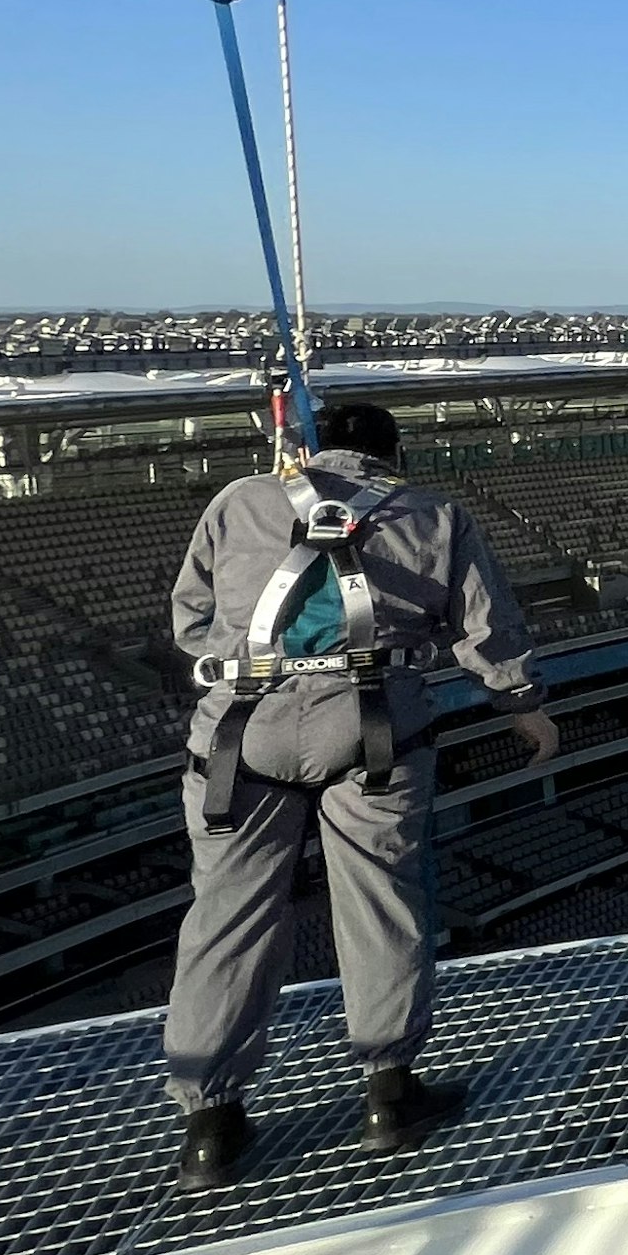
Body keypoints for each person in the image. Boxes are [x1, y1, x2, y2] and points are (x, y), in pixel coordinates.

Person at [164, 399, 556, 1192]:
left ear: (313, 449)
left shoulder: (238, 501)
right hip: (375, 725)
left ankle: (209, 1123)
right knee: (382, 908)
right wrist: (523, 707)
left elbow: (190, 618)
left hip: (242, 732)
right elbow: (486, 629)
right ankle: (389, 1095)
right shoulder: (435, 515)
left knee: (226, 919)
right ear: (392, 453)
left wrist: (248, 663)